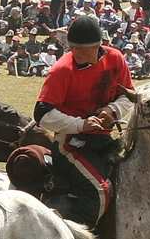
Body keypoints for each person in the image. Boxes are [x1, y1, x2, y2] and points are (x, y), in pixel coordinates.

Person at [32, 15, 133, 227]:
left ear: (98, 46)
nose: (75, 53)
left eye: (81, 49)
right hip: (70, 143)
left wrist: (112, 111)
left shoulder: (115, 59)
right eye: (73, 48)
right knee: (99, 191)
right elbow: (42, 115)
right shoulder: (62, 70)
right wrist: (82, 124)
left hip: (104, 139)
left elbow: (128, 95)